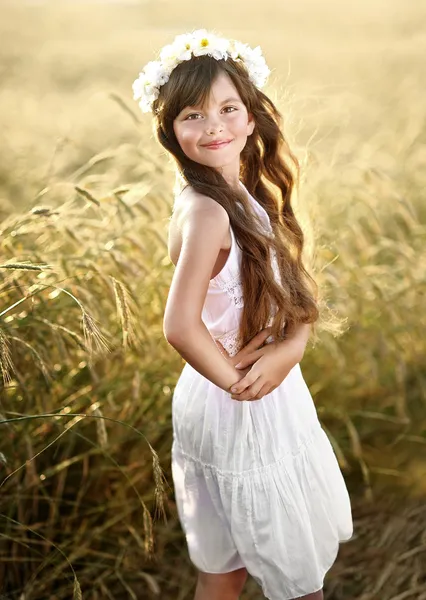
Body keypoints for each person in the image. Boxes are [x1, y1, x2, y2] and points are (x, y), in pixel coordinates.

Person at [133, 29, 353, 600]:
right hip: (238, 399)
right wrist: (244, 385)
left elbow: (293, 293)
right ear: (169, 131)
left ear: (252, 119)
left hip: (246, 389)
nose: (212, 127)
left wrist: (291, 348)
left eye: (228, 109)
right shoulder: (208, 211)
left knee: (223, 570)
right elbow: (179, 325)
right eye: (192, 115)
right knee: (297, 581)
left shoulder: (238, 195)